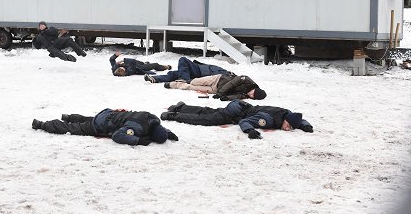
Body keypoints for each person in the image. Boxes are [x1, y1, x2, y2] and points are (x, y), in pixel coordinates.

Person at [160, 100, 313, 139]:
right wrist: (250, 131)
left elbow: (299, 118)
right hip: (236, 112)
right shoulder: (267, 119)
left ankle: (180, 107)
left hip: (240, 106)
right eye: (288, 126)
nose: (288, 128)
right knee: (206, 119)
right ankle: (173, 115)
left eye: (291, 128)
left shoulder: (286, 114)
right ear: (285, 120)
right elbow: (244, 122)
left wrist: (305, 126)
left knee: (209, 111)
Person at [31, 108, 178, 146]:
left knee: (86, 119)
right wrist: (137, 141)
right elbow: (117, 136)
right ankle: (42, 125)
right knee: (74, 128)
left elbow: (160, 129)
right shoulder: (138, 129)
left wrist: (168, 133)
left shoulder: (153, 119)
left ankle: (68, 116)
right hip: (101, 124)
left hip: (109, 113)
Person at [164, 72, 266, 100]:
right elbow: (233, 82)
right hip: (218, 79)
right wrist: (222, 92)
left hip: (215, 90)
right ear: (255, 89)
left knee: (191, 87)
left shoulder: (246, 95)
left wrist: (225, 98)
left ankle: (175, 84)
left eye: (253, 97)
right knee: (194, 82)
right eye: (253, 94)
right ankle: (183, 80)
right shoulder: (247, 80)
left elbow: (237, 96)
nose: (251, 96)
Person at [144, 57, 232, 83]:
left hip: (198, 71)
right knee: (173, 74)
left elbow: (216, 77)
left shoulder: (223, 72)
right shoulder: (218, 69)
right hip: (195, 71)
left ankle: (185, 80)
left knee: (183, 60)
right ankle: (155, 79)